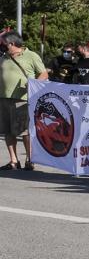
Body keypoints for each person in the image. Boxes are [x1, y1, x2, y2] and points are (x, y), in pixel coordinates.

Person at [0, 32, 48, 172]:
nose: (2, 47)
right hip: (3, 98)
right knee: (8, 131)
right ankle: (14, 161)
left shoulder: (31, 55)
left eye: (4, 44)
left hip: (22, 99)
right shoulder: (3, 57)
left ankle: (30, 159)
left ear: (12, 44)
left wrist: (33, 85)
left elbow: (44, 74)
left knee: (24, 131)